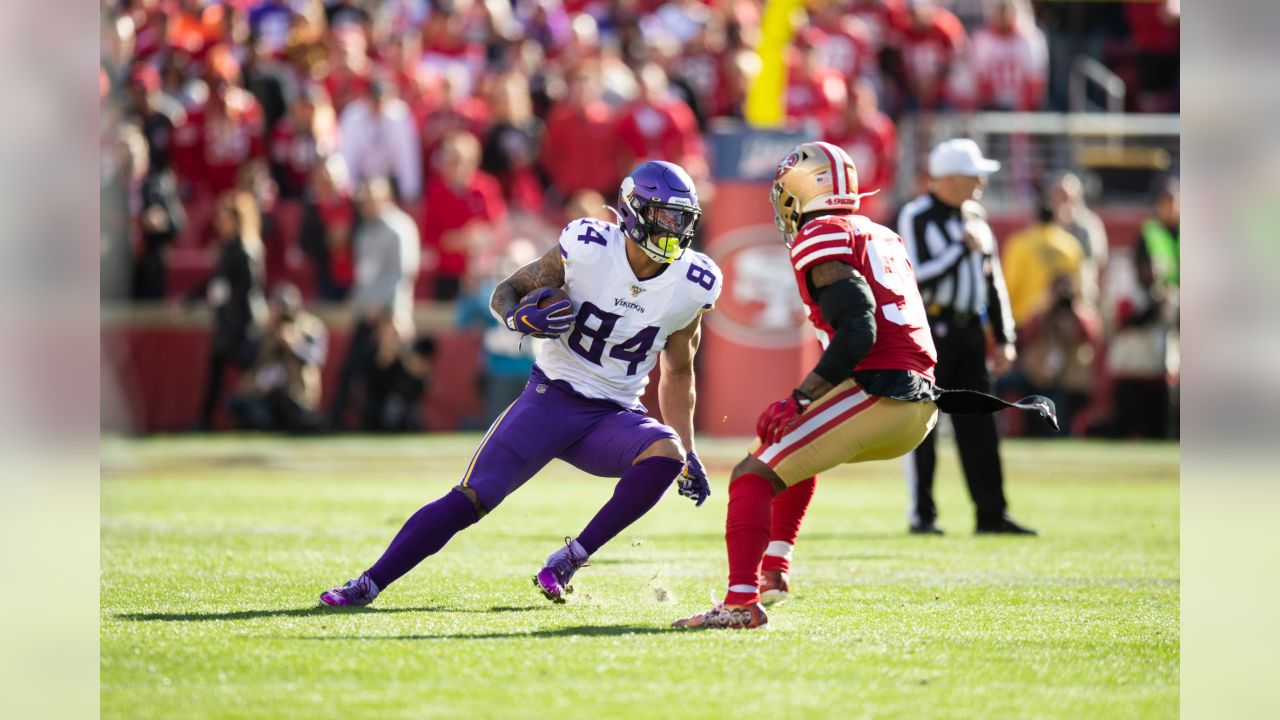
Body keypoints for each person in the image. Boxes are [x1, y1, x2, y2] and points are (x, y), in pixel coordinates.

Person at [671, 142, 1053, 630]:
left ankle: (741, 602)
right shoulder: (880, 234)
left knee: (750, 475)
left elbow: (859, 328)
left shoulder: (822, 233)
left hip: (882, 392)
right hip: (917, 397)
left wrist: (803, 396)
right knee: (777, 454)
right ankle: (773, 572)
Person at [319, 161, 722, 608]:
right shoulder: (588, 247)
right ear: (633, 211)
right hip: (551, 398)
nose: (675, 229)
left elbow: (680, 369)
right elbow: (505, 293)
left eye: (682, 219)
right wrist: (518, 317)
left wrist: (690, 450)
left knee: (668, 452)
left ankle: (569, 559)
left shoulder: (693, 282)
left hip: (614, 415)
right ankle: (369, 582)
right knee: (472, 498)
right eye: (666, 216)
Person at [896, 139, 1035, 536]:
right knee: (921, 424)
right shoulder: (917, 215)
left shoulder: (976, 215)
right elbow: (916, 276)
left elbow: (995, 283)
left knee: (981, 427)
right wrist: (959, 248)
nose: (980, 184)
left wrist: (1004, 336)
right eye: (974, 176)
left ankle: (992, 513)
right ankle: (923, 514)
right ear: (952, 178)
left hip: (971, 331)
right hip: (931, 330)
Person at [328, 178, 421, 430]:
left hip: (389, 316)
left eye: (371, 199)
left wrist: (383, 307)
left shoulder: (398, 227)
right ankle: (340, 420)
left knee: (389, 376)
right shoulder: (364, 230)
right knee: (353, 371)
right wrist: (358, 301)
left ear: (386, 198)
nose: (365, 205)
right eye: (363, 200)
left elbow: (402, 273)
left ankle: (390, 424)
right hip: (366, 312)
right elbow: (365, 274)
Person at [178, 190, 266, 430]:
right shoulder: (229, 248)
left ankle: (257, 417)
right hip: (229, 323)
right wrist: (192, 299)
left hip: (243, 325)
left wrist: (224, 299)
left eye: (225, 217)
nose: (220, 222)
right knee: (217, 374)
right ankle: (206, 420)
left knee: (249, 374)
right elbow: (215, 281)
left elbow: (248, 287)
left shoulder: (245, 249)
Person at [229, 283, 327, 433]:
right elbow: (243, 361)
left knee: (303, 419)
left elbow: (316, 359)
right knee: (250, 411)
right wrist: (264, 334)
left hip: (296, 395)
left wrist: (295, 345)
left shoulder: (310, 327)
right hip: (263, 393)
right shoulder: (262, 327)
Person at [337, 79, 423, 202]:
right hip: (362, 182)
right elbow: (347, 155)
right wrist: (347, 190)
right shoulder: (352, 116)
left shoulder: (400, 116)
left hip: (390, 180)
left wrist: (410, 194)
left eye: (381, 100)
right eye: (374, 99)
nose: (377, 104)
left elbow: (407, 157)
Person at [1001, 205, 1085, 327]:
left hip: (1025, 319)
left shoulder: (1019, 243)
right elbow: (1077, 285)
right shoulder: (1071, 245)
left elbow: (1010, 283)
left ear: (1034, 218)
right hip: (1062, 321)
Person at [362, 317, 436, 433]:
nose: (390, 337)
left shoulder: (405, 352)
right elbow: (368, 379)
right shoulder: (369, 350)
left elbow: (421, 374)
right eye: (386, 333)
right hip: (377, 403)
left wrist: (401, 355)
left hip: (402, 403)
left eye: (393, 333)